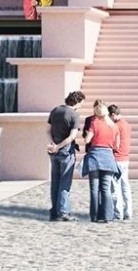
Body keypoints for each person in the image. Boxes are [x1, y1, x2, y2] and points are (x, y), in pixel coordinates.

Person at [46, 90, 84, 221]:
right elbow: (72, 136)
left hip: (53, 151)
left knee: (55, 182)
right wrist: (59, 146)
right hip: (66, 151)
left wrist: (53, 144)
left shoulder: (55, 111)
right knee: (65, 182)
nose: (81, 106)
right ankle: (63, 212)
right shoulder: (74, 114)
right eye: (81, 103)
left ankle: (54, 212)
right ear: (77, 101)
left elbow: (48, 130)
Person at [81, 100, 120, 223]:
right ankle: (107, 216)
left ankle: (95, 216)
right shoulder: (114, 126)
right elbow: (117, 146)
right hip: (108, 157)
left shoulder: (94, 123)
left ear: (96, 113)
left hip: (95, 157)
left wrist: (88, 134)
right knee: (106, 188)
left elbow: (87, 140)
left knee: (94, 188)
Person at [108, 104, 132, 220]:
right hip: (125, 159)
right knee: (125, 186)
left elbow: (113, 143)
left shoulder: (115, 126)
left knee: (115, 187)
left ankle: (118, 214)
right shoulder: (127, 124)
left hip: (116, 158)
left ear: (113, 115)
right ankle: (128, 211)